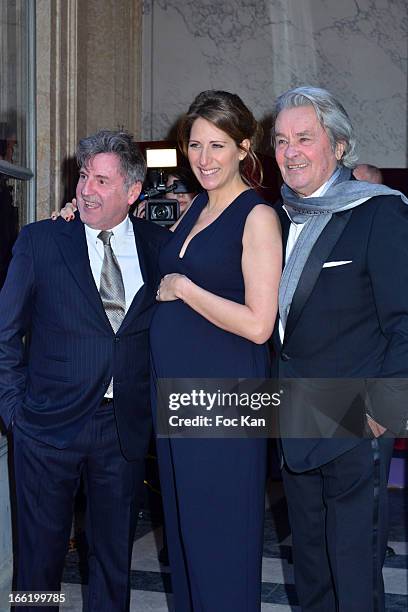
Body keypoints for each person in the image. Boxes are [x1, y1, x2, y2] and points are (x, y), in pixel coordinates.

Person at [0, 130, 168, 611]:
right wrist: (15, 413)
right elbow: (5, 334)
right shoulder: (42, 240)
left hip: (123, 430)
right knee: (39, 562)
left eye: (101, 180)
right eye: (82, 177)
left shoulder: (160, 247)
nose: (85, 190)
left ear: (132, 192)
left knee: (113, 561)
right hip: (46, 429)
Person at [270, 86, 408, 611]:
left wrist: (381, 413)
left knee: (353, 571)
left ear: (340, 145)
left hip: (356, 418)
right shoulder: (276, 217)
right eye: (281, 141)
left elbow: (405, 322)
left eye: (305, 138)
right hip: (295, 414)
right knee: (311, 567)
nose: (291, 151)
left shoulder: (379, 214)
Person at [150, 90, 282, 610]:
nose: (204, 159)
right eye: (196, 145)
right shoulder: (197, 206)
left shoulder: (258, 217)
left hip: (225, 398)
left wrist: (185, 289)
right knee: (187, 537)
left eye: (218, 145)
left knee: (220, 539)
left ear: (244, 148)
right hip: (179, 396)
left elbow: (258, 325)